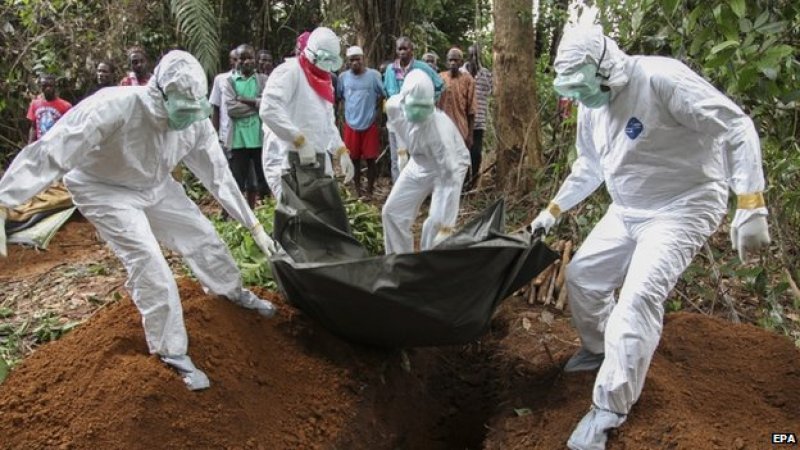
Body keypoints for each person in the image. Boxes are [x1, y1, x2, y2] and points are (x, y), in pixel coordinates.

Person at [527, 25, 771, 449]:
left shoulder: (661, 79)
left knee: (637, 298)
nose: (581, 97)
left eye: (584, 86)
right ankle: (601, 348)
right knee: (583, 275)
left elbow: (735, 126)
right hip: (627, 207)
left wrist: (750, 201)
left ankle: (608, 410)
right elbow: (589, 166)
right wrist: (552, 211)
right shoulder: (591, 105)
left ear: (605, 67)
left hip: (683, 204)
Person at [0, 50, 278, 391]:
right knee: (149, 261)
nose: (187, 117)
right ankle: (171, 352)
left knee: (203, 236)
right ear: (159, 93)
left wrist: (254, 226)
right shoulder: (115, 107)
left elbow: (218, 175)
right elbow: (51, 151)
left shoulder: (194, 121)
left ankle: (232, 292)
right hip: (103, 189)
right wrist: (5, 201)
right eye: (182, 109)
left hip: (155, 184)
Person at [259, 27, 354, 200]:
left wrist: (341, 151)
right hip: (287, 158)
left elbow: (327, 122)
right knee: (295, 214)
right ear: (311, 52)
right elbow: (268, 109)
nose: (326, 64)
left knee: (321, 213)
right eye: (324, 58)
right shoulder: (289, 71)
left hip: (316, 159)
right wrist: (299, 140)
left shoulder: (325, 81)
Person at [382, 70, 470, 254]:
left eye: (423, 108)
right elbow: (397, 126)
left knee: (434, 227)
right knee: (392, 212)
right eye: (414, 106)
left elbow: (450, 180)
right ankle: (400, 263)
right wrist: (401, 151)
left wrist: (447, 225)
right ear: (403, 99)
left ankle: (429, 269)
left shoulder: (440, 132)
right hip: (418, 161)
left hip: (447, 167)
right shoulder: (393, 106)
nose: (417, 113)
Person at [383, 37, 445, 183]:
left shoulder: (422, 68)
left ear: (412, 50)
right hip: (396, 123)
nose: (403, 52)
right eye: (400, 49)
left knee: (418, 157)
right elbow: (387, 92)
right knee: (397, 157)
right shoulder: (390, 70)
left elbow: (439, 85)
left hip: (417, 122)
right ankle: (398, 191)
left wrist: (427, 102)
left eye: (406, 48)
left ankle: (418, 192)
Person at [223, 44, 270, 209]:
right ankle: (236, 215)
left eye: (249, 57)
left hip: (259, 139)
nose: (246, 61)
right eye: (242, 58)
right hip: (238, 141)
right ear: (237, 60)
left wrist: (245, 100)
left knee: (264, 180)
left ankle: (267, 212)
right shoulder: (230, 81)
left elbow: (268, 105)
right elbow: (231, 109)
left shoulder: (263, 80)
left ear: (255, 60)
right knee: (237, 182)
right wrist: (256, 105)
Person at [336, 45, 384, 199]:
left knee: (370, 159)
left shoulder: (374, 76)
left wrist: (375, 112)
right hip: (351, 124)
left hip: (369, 124)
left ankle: (369, 191)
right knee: (353, 159)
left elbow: (382, 94)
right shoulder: (343, 78)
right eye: (352, 60)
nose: (355, 62)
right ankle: (357, 190)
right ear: (348, 61)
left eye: (358, 59)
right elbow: (339, 97)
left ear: (363, 59)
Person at [462, 44, 493, 190]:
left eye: (476, 55)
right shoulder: (461, 72)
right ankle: (462, 183)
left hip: (479, 122)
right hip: (462, 122)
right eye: (471, 55)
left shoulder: (486, 74)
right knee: (462, 153)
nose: (474, 58)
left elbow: (492, 91)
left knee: (476, 153)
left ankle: (473, 182)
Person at [437, 47, 476, 155]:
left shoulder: (468, 80)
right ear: (446, 62)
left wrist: (470, 135)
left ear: (461, 62)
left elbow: (472, 109)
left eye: (456, 60)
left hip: (461, 129)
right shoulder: (439, 78)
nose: (453, 63)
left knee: (460, 162)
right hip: (442, 129)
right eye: (450, 60)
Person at [27, 74, 72, 144]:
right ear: (41, 87)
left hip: (58, 145)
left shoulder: (66, 106)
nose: (48, 88)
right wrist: (29, 146)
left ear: (55, 87)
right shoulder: (35, 104)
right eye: (45, 86)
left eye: (50, 86)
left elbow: (69, 128)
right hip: (41, 146)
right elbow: (33, 127)